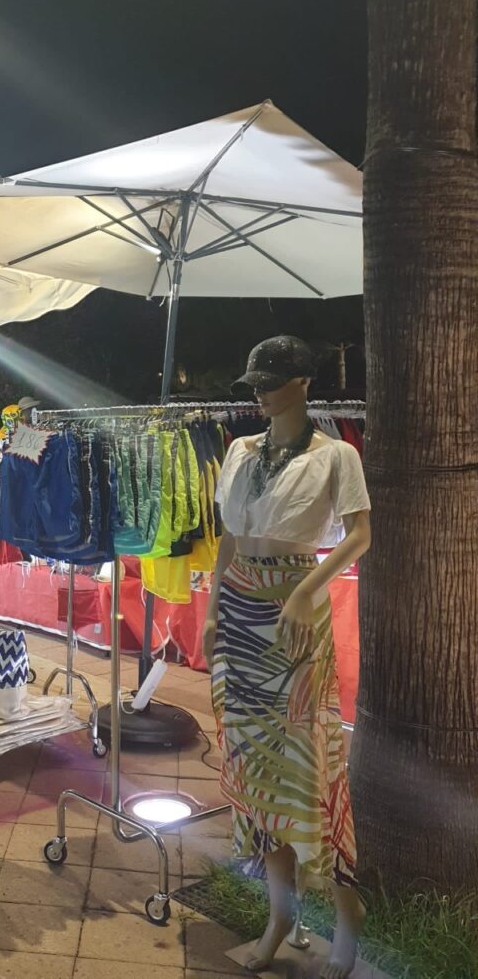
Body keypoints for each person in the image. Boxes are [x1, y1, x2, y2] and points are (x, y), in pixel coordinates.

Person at [204, 336, 370, 979]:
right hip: (243, 612)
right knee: (257, 778)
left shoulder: (337, 455)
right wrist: (216, 608)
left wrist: (306, 589)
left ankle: (345, 913)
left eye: (271, 381)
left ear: (304, 381)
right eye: (254, 383)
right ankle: (280, 916)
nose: (259, 393)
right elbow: (230, 539)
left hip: (296, 617)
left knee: (309, 770)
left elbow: (360, 533)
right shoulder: (242, 450)